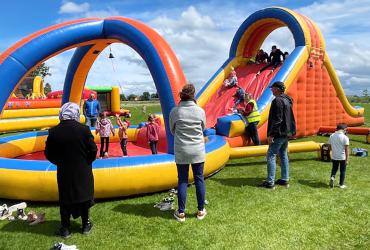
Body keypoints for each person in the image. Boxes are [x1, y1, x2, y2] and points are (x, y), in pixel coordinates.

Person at [44, 102, 97, 238]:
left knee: (65, 199)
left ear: (62, 113)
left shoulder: (54, 131)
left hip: (64, 171)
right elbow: (93, 150)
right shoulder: (84, 130)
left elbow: (48, 153)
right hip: (83, 171)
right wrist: (87, 162)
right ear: (76, 113)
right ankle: (85, 225)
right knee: (84, 197)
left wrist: (60, 162)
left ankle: (66, 228)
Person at [169, 83, 207, 222]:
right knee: (199, 179)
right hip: (197, 150)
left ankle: (181, 213)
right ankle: (201, 210)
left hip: (182, 149)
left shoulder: (175, 111)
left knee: (183, 180)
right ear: (193, 95)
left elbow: (172, 130)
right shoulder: (200, 111)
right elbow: (203, 128)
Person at [260, 81, 296, 189]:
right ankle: (285, 179)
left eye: (273, 88)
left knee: (271, 155)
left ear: (277, 89)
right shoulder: (287, 100)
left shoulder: (278, 101)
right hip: (286, 133)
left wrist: (271, 134)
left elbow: (278, 119)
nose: (271, 90)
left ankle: (270, 181)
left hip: (279, 133)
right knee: (283, 155)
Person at [328, 123, 350, 189]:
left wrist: (331, 154)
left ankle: (332, 177)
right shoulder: (345, 137)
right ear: (344, 129)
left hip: (334, 156)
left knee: (334, 169)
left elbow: (329, 146)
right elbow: (347, 150)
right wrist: (347, 159)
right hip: (342, 157)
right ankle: (341, 184)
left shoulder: (332, 136)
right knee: (342, 171)